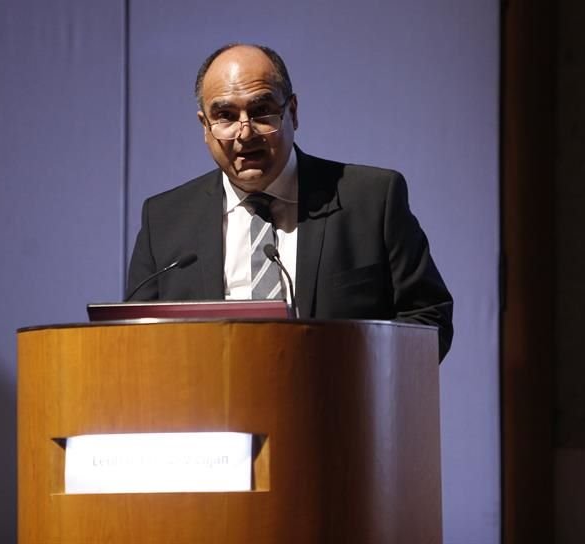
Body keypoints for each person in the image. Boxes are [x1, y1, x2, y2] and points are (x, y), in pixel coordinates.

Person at [126, 43, 453, 361]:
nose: (245, 133)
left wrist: (359, 379)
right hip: (207, 412)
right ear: (205, 127)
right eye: (225, 116)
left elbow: (427, 319)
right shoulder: (164, 220)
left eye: (260, 112)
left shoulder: (371, 199)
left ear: (292, 112)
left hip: (340, 410)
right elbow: (134, 340)